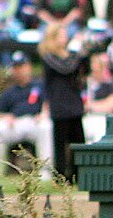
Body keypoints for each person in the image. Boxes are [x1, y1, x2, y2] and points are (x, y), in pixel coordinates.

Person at [0, 52, 53, 177]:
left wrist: (44, 113)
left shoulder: (40, 86)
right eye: (16, 67)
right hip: (15, 124)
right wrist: (7, 117)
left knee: (46, 127)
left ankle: (46, 173)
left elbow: (47, 104)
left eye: (22, 66)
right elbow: (0, 113)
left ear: (29, 67)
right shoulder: (9, 92)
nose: (19, 70)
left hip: (34, 121)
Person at [37, 23, 88, 182]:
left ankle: (78, 174)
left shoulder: (71, 55)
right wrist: (77, 54)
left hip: (74, 101)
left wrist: (83, 54)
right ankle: (60, 175)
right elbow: (66, 68)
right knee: (60, 142)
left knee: (78, 140)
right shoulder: (49, 57)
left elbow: (82, 69)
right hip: (60, 103)